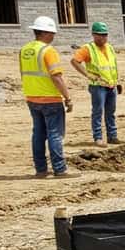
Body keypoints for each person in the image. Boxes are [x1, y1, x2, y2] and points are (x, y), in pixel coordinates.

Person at [19, 16, 74, 178]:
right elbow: (56, 77)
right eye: (52, 33)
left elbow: (23, 74)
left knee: (38, 134)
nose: (53, 37)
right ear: (45, 33)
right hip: (50, 99)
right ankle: (59, 169)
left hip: (32, 98)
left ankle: (41, 169)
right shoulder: (48, 51)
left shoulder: (24, 50)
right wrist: (68, 98)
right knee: (55, 134)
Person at [70, 21, 119, 145]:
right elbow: (75, 61)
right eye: (100, 35)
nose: (103, 37)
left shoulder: (110, 48)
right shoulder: (88, 49)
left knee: (111, 112)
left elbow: (111, 66)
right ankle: (98, 137)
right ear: (93, 35)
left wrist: (116, 82)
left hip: (111, 85)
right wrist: (87, 74)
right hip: (98, 86)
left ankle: (112, 136)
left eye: (105, 35)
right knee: (98, 111)